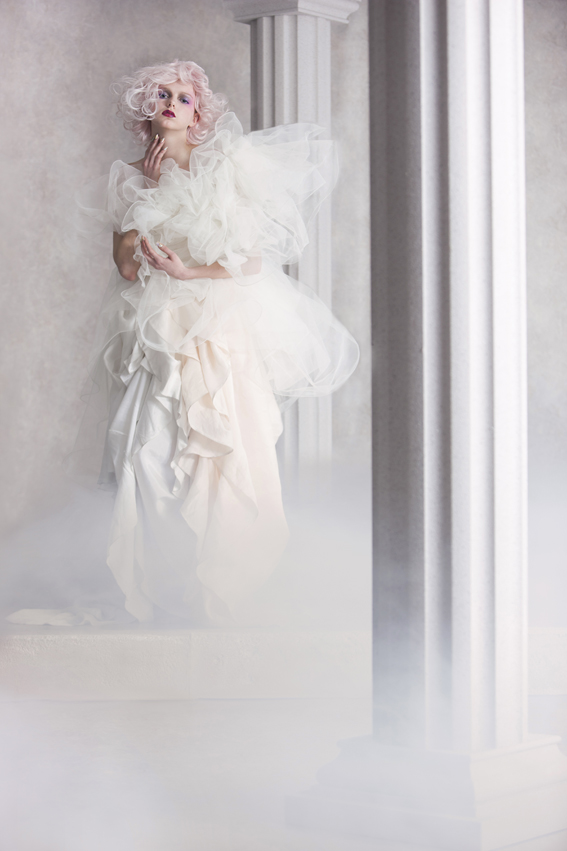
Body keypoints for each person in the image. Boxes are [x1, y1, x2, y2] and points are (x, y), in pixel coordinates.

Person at [13, 59, 360, 627]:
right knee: (144, 450)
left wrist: (188, 273)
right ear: (145, 108)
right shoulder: (128, 176)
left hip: (214, 328)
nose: (173, 104)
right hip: (154, 331)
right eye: (162, 95)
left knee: (218, 450)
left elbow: (251, 261)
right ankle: (163, 588)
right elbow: (127, 269)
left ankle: (215, 586)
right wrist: (148, 193)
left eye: (184, 97)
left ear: (198, 113)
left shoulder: (221, 168)